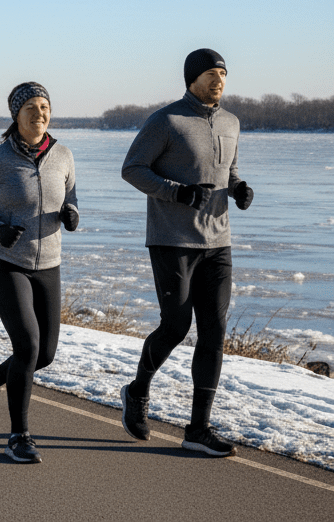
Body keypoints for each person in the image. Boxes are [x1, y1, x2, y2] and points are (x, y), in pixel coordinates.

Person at [119, 49, 253, 458]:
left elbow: (228, 170)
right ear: (192, 79)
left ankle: (198, 429)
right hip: (172, 240)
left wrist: (238, 188)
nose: (219, 80)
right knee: (176, 326)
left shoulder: (231, 122)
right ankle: (137, 390)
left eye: (223, 73)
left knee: (214, 332)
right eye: (211, 73)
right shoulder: (166, 121)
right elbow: (132, 168)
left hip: (218, 243)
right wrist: (176, 192)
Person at [0, 82, 78, 464]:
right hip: (5, 261)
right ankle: (19, 436)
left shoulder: (63, 155)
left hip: (49, 264)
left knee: (45, 354)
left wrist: (72, 213)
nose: (39, 114)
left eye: (44, 107)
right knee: (27, 346)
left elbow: (70, 195)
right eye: (31, 108)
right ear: (17, 115)